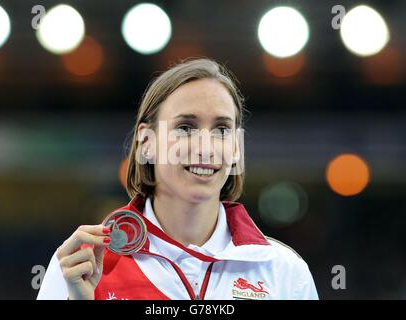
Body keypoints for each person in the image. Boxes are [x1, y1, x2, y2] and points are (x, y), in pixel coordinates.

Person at [37, 58, 318, 300]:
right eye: (186, 127)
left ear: (235, 148)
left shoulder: (283, 271)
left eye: (222, 129)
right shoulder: (81, 263)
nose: (205, 148)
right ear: (146, 142)